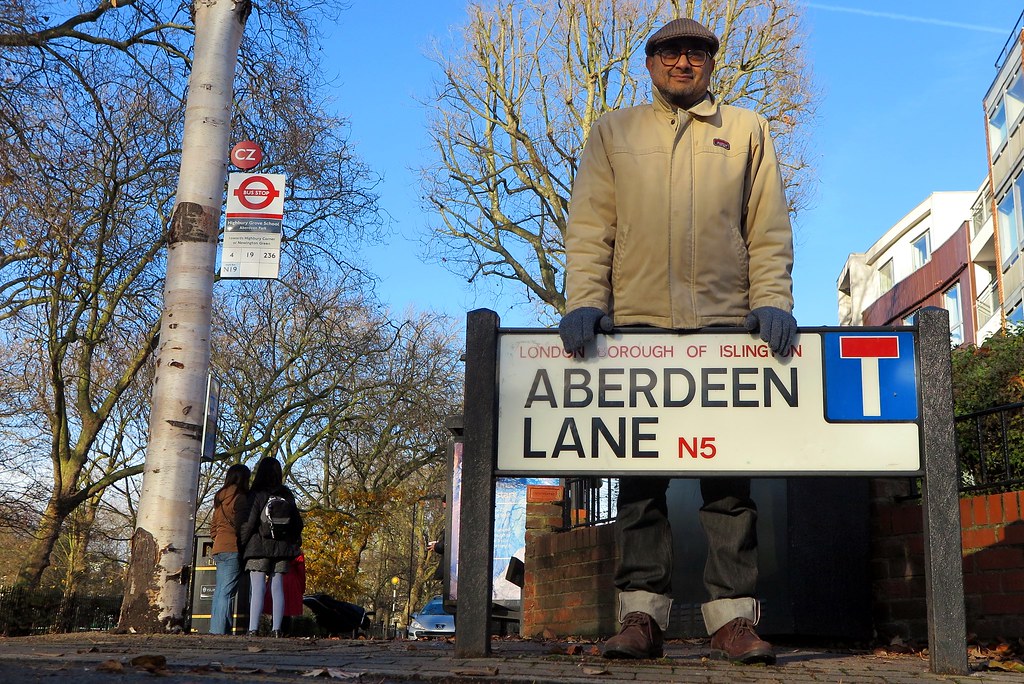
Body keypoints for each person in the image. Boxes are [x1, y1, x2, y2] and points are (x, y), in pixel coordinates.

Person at [558, 17, 796, 664]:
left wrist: (772, 300)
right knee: (639, 479)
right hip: (636, 327)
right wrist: (586, 301)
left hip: (723, 326)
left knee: (727, 483)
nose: (683, 63)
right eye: (670, 53)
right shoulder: (614, 131)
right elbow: (590, 227)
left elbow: (767, 225)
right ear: (650, 62)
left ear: (711, 63)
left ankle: (732, 621)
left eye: (695, 53)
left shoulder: (746, 130)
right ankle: (641, 616)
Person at [239, 456, 303, 638]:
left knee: (257, 587)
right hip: (282, 549)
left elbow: (249, 523)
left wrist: (242, 544)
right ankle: (276, 629)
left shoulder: (256, 494)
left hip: (258, 547)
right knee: (277, 587)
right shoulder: (286, 494)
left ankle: (253, 628)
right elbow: (298, 523)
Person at [209, 463, 251, 635]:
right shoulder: (240, 498)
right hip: (233, 548)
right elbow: (242, 526)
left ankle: (220, 629)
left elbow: (213, 528)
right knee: (226, 593)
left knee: (220, 591)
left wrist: (218, 540)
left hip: (218, 549)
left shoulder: (220, 499)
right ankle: (218, 631)